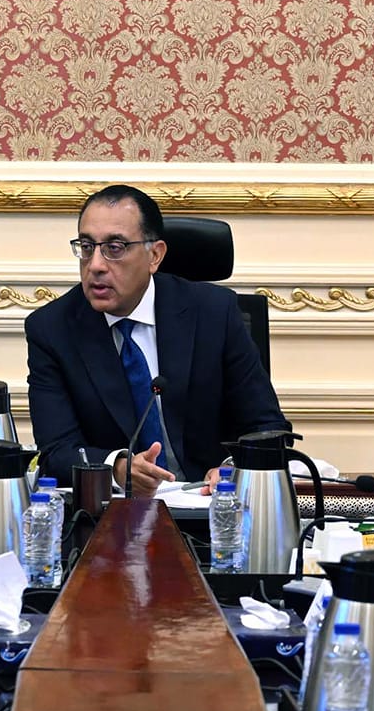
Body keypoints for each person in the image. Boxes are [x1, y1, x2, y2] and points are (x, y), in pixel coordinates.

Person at [25, 185, 286, 488]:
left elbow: (267, 428)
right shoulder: (52, 329)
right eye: (86, 247)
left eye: (115, 248)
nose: (95, 265)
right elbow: (56, 451)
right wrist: (116, 468)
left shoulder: (215, 313)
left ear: (155, 255)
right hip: (114, 508)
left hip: (211, 502)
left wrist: (232, 469)